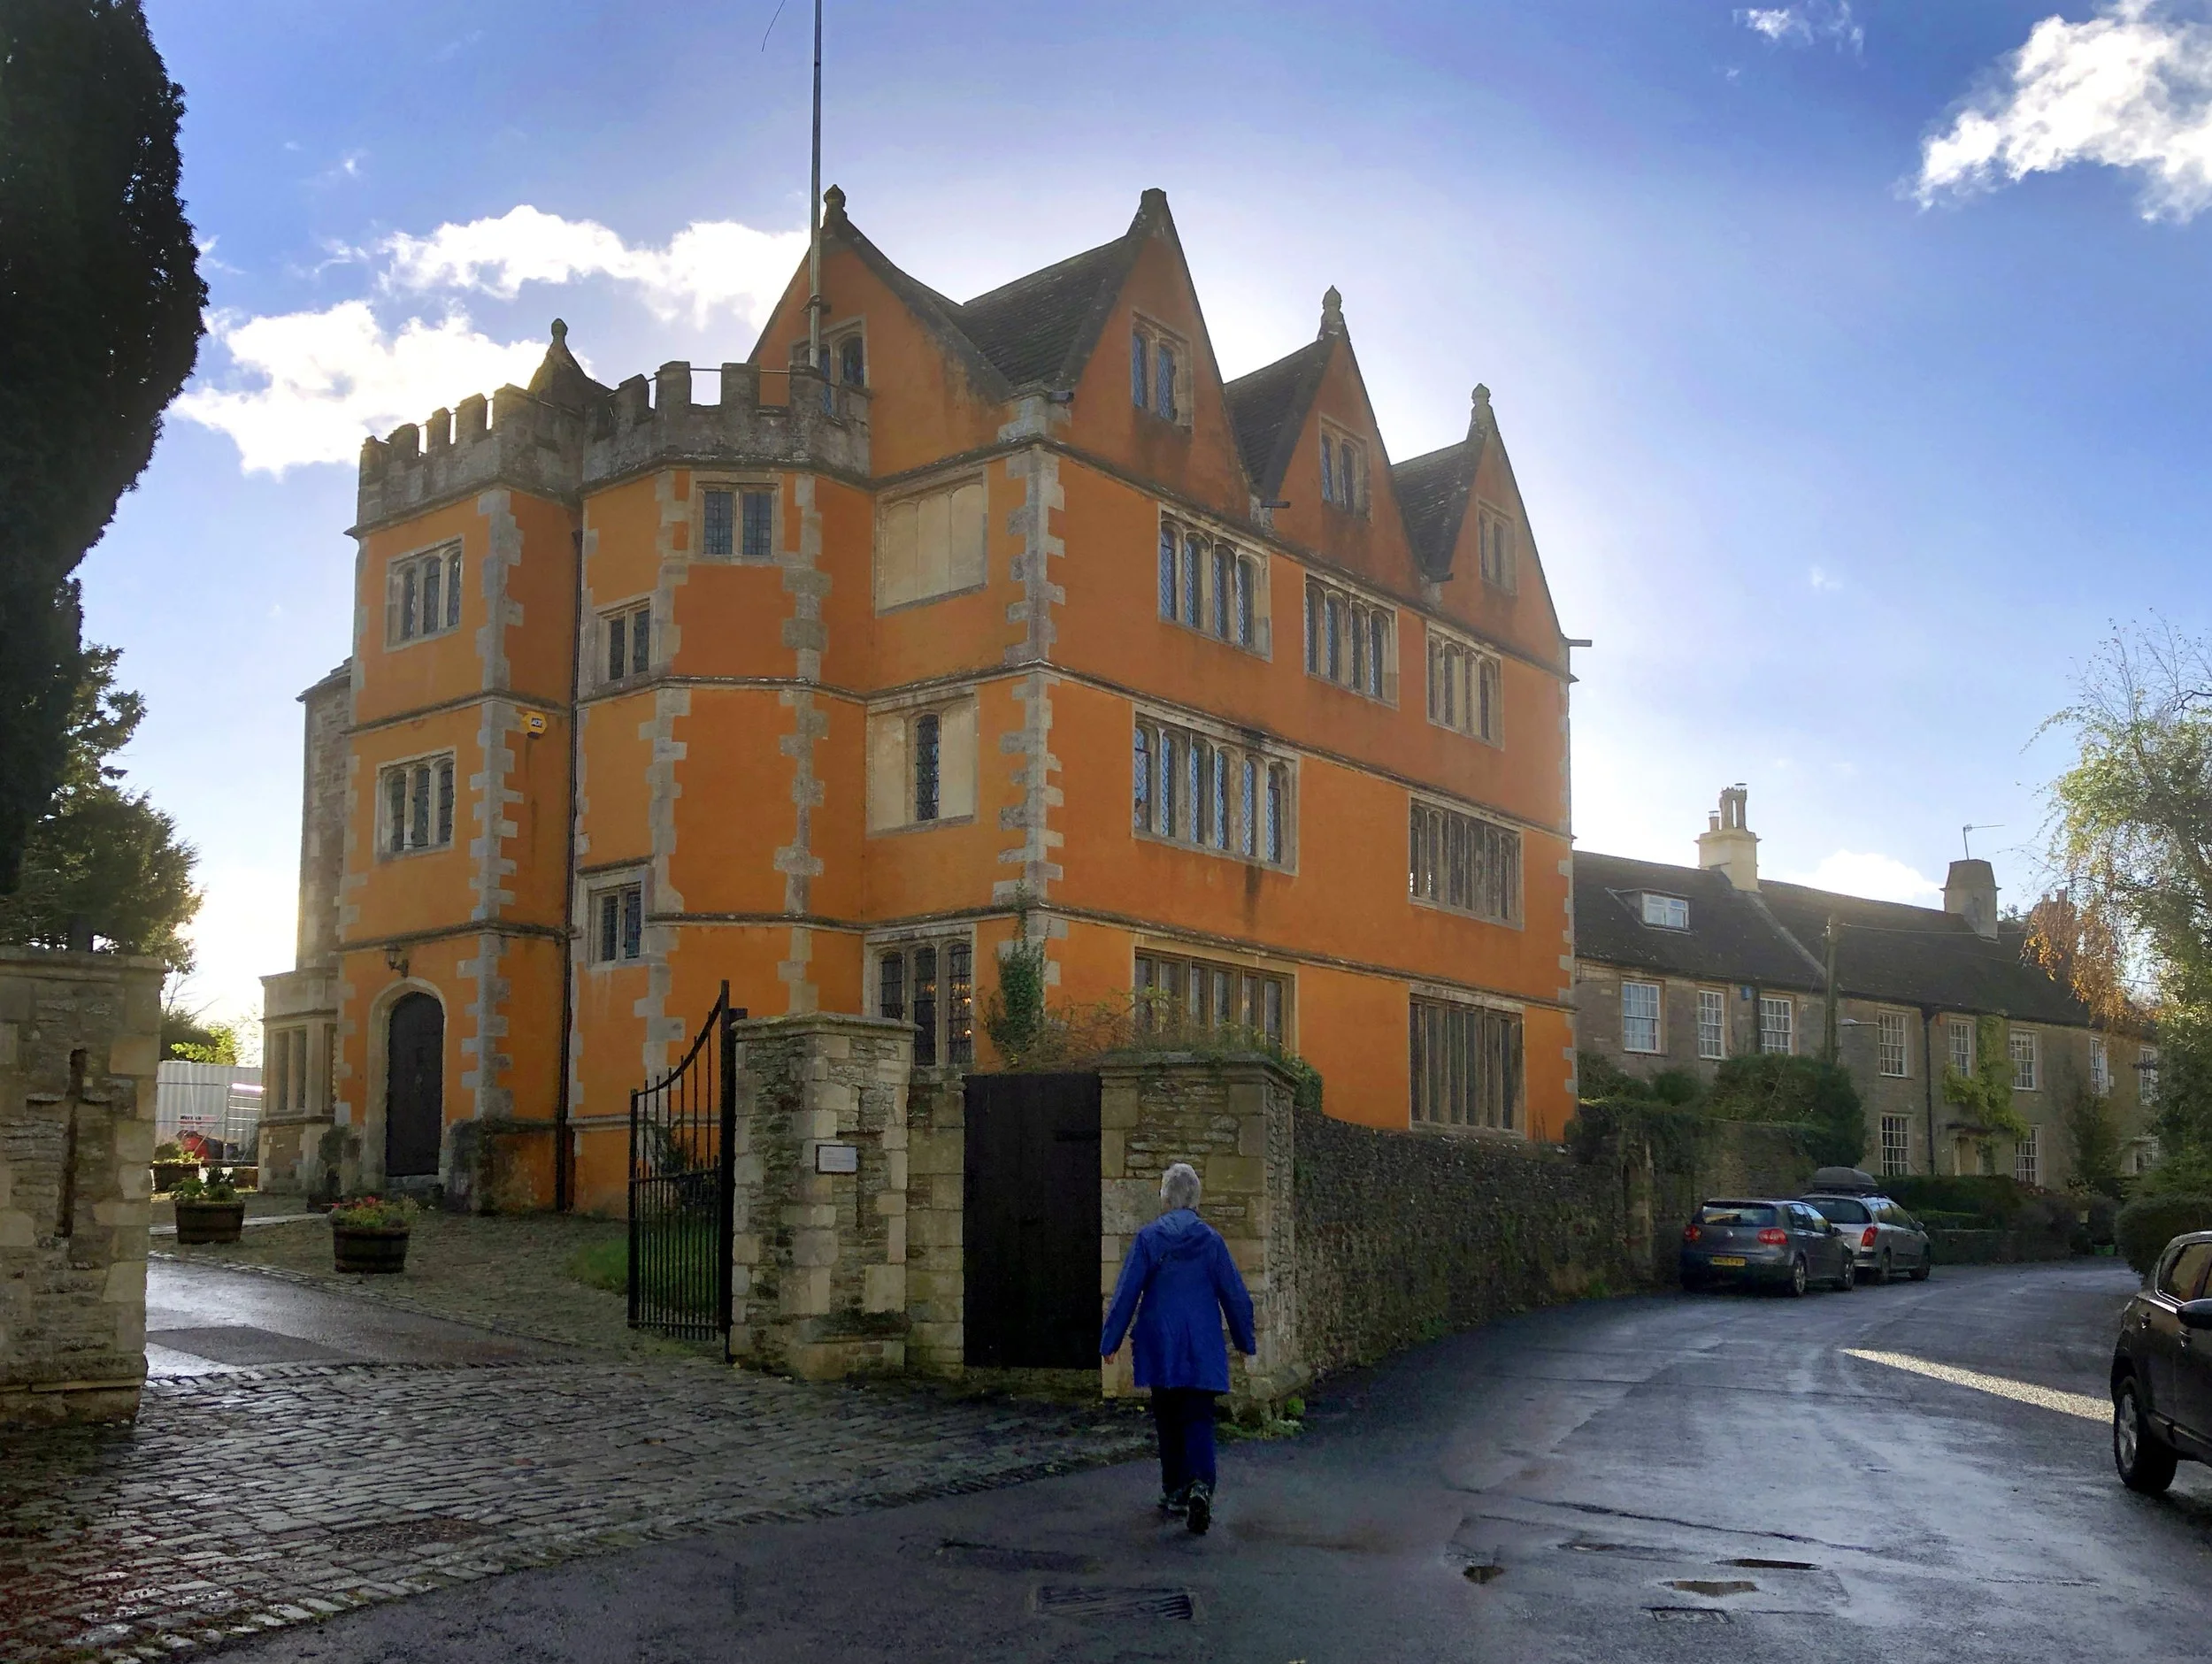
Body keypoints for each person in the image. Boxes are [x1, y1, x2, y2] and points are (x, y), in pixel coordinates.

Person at [1099, 1162, 1256, 1536]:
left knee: (1168, 1414)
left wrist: (1111, 1341)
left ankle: (1175, 1489)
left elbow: (1127, 1292)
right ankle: (1202, 1485)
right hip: (1201, 1341)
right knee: (1199, 1416)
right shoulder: (1211, 1241)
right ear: (1196, 1198)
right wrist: (1244, 1340)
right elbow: (1235, 1295)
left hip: (1161, 1339)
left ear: (1166, 1197)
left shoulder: (1150, 1238)